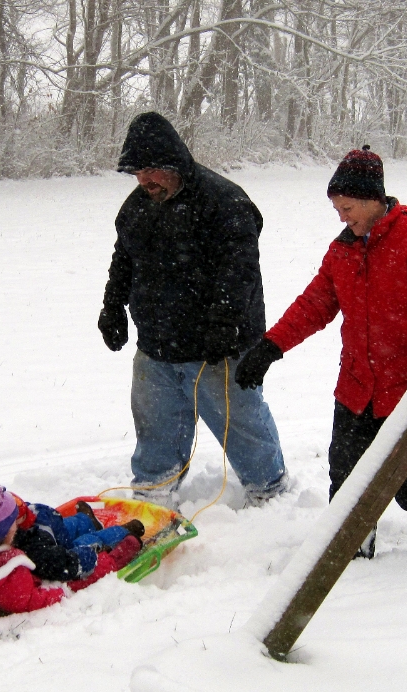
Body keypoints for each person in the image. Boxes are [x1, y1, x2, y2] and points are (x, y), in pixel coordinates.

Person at [235, 146, 407, 557]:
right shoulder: (342, 250)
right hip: (356, 388)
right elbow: (314, 305)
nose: (342, 218)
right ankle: (350, 555)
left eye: (347, 208)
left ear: (372, 199)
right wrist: (270, 347)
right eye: (338, 210)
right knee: (346, 481)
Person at [98, 112, 288, 509]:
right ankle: (154, 493)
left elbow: (239, 270)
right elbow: (124, 259)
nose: (144, 181)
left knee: (242, 425)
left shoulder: (225, 202)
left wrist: (224, 323)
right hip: (157, 345)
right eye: (137, 172)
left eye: (152, 170)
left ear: (174, 163)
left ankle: (268, 493)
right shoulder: (137, 207)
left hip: (219, 347)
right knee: (156, 427)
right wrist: (112, 305)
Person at [0, 478, 143, 613]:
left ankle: (87, 521)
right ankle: (124, 532)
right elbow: (36, 599)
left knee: (55, 526)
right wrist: (101, 562)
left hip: (45, 535)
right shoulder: (12, 576)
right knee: (85, 545)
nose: (18, 522)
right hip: (57, 556)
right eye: (13, 522)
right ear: (2, 535)